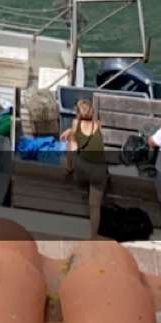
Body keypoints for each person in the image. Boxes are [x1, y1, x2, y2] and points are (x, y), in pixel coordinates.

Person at [63, 96, 106, 237]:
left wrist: (69, 167)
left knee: (70, 147)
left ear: (78, 113)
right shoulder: (98, 125)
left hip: (83, 171)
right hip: (100, 172)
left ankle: (68, 168)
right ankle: (93, 236)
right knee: (95, 206)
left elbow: (72, 148)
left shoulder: (76, 123)